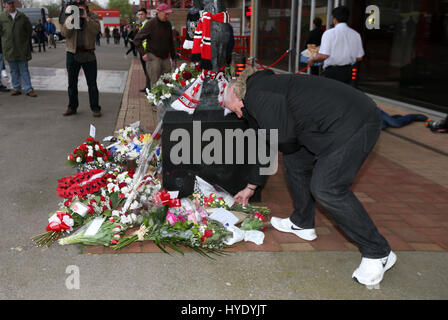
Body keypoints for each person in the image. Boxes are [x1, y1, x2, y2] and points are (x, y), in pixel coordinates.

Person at [224, 67, 396, 287]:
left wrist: (283, 141)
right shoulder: (260, 92)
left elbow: (281, 138)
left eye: (236, 110)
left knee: (326, 187)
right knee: (295, 159)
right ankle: (302, 223)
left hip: (355, 122)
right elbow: (267, 141)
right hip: (332, 122)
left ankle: (378, 252)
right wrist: (251, 186)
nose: (239, 115)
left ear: (239, 97)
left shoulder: (258, 97)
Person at [61, 0, 102, 117]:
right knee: (72, 83)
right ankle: (72, 107)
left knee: (92, 84)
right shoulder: (69, 15)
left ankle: (95, 108)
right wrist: (72, 18)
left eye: (81, 5)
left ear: (85, 5)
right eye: (77, 6)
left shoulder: (92, 15)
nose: (79, 8)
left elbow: (96, 30)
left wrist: (86, 18)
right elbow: (65, 33)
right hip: (72, 53)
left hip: (88, 53)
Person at [308, 6, 364, 84]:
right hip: (348, 72)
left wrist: (312, 59)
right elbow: (359, 58)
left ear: (334, 19)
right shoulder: (355, 34)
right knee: (344, 94)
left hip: (332, 73)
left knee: (330, 94)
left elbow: (324, 56)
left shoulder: (329, 33)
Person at [134, 3, 177, 90]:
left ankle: (165, 100)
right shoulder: (151, 23)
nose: (167, 16)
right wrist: (143, 53)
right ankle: (155, 101)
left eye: (168, 14)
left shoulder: (168, 24)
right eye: (166, 14)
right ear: (159, 12)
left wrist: (173, 57)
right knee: (155, 80)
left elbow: (170, 41)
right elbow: (137, 39)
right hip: (153, 56)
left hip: (165, 57)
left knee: (167, 79)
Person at [0, 0, 37, 97]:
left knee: (24, 69)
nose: (11, 5)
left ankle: (28, 89)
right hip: (9, 49)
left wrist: (23, 41)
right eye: (8, 4)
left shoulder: (22, 17)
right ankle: (16, 88)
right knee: (13, 70)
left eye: (12, 3)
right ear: (4, 5)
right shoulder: (1, 17)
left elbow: (29, 31)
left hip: (21, 49)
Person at [134, 8, 151, 92]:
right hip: (142, 51)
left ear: (146, 14)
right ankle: (147, 87)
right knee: (145, 70)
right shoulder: (141, 24)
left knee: (148, 71)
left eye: (142, 14)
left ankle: (149, 88)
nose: (140, 16)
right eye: (139, 14)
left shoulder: (148, 24)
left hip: (147, 52)